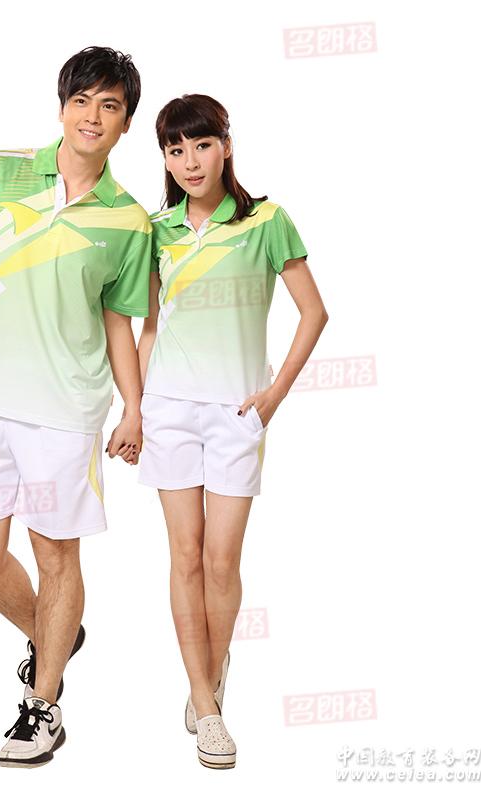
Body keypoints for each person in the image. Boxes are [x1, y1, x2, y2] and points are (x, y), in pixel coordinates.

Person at [0, 46, 151, 768]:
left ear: (125, 123)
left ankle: (44, 704)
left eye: (110, 106)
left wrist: (133, 408)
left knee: (56, 553)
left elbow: (119, 323)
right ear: (62, 107)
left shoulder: (130, 220)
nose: (93, 116)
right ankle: (55, 633)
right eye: (82, 100)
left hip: (67, 409)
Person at [134, 94, 329, 768]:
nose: (190, 161)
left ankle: (213, 672)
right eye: (175, 149)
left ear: (225, 146)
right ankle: (205, 702)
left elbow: (314, 312)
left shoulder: (267, 221)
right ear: (165, 158)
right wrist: (134, 409)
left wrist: (273, 395)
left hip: (236, 414)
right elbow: (150, 326)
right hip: (168, 410)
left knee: (221, 561)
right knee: (184, 557)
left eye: (202, 145)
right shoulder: (154, 230)